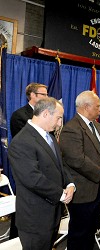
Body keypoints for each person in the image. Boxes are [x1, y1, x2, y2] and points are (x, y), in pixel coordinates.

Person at [8, 97, 75, 250]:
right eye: (58, 118)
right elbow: (32, 179)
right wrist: (62, 194)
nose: (60, 123)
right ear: (45, 114)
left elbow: (61, 165)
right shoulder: (21, 142)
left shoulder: (49, 136)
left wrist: (70, 183)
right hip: (35, 219)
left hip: (52, 213)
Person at [59, 90, 100, 250]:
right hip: (83, 192)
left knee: (91, 231)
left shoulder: (99, 126)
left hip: (98, 190)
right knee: (79, 235)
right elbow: (76, 159)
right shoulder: (71, 128)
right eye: (97, 106)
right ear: (86, 106)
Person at [8, 82, 48, 239]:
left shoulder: (46, 114)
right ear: (32, 95)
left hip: (45, 169)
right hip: (28, 170)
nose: (47, 97)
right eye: (43, 94)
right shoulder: (20, 116)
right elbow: (25, 146)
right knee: (24, 208)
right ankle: (16, 238)